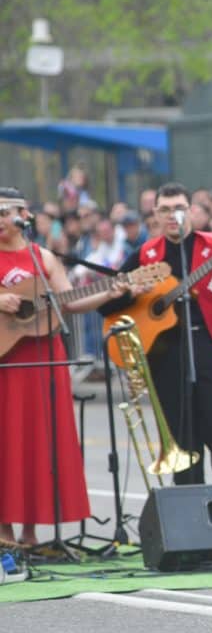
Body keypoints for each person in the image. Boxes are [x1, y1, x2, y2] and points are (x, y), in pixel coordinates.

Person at [0, 188, 141, 547]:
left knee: (37, 438)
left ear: (23, 216)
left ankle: (30, 531)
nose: (0, 220)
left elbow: (68, 302)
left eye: (5, 213)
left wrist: (107, 293)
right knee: (7, 439)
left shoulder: (42, 255)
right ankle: (3, 530)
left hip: (43, 357)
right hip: (6, 358)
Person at [98, 183, 212, 485]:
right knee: (182, 440)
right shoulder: (145, 255)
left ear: (191, 210)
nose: (173, 216)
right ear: (155, 214)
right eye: (165, 210)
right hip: (165, 356)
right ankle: (192, 518)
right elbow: (108, 307)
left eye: (179, 208)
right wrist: (131, 293)